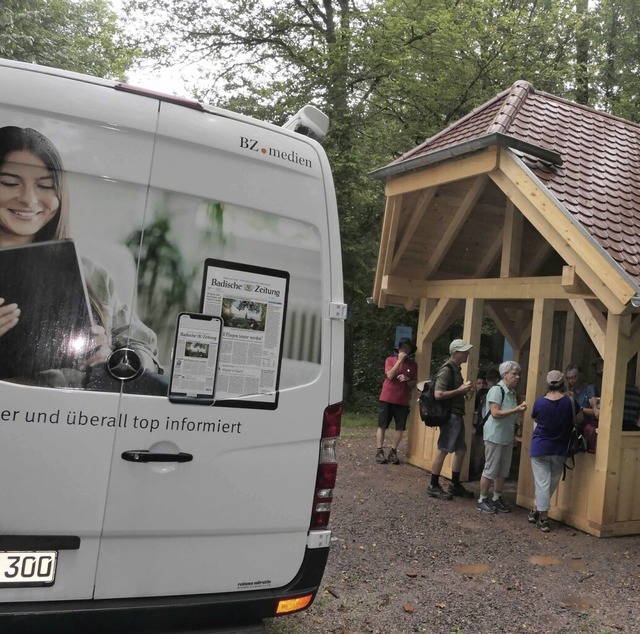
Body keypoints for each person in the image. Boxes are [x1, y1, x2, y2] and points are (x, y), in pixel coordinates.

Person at [0, 126, 159, 387]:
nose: (29, 199)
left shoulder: (92, 275)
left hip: (80, 420)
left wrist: (114, 358)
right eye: (9, 183)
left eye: (45, 186)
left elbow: (145, 348)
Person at [529, 370, 583, 532]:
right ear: (563, 384)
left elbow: (536, 419)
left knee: (543, 484)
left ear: (548, 384)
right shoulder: (570, 402)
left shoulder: (539, 402)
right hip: (560, 448)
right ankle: (542, 516)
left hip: (540, 447)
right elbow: (579, 419)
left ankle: (538, 513)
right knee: (549, 483)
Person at [476, 361, 527, 514]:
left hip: (506, 436)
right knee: (490, 468)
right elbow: (495, 413)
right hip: (494, 435)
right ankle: (482, 499)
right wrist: (516, 410)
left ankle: (497, 497)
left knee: (503, 470)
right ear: (505, 375)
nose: (517, 377)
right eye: (514, 374)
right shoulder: (497, 390)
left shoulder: (511, 392)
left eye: (519, 374)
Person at [427, 339, 475, 500]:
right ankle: (433, 485)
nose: (467, 354)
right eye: (465, 351)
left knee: (461, 450)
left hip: (457, 414)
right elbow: (438, 394)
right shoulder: (447, 370)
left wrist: (465, 392)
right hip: (450, 416)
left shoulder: (456, 369)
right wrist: (460, 390)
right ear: (456, 353)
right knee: (444, 449)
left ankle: (455, 484)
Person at [375, 337, 417, 464]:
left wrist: (407, 379)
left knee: (400, 427)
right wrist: (399, 361)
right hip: (387, 397)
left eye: (408, 348)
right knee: (382, 425)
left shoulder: (413, 365)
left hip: (402, 400)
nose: (405, 350)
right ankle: (379, 451)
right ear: (398, 349)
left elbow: (412, 384)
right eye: (403, 347)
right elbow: (390, 375)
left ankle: (393, 451)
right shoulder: (390, 360)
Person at [565, 364, 598, 453]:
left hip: (588, 424)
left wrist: (580, 408)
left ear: (581, 376)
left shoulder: (589, 389)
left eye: (574, 377)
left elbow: (596, 412)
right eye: (568, 378)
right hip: (575, 425)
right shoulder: (570, 392)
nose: (571, 381)